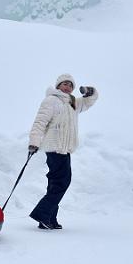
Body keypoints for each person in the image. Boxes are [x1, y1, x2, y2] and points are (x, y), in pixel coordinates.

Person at [28, 73, 98, 230]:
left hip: (65, 149)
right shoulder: (51, 100)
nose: (68, 87)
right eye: (64, 84)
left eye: (70, 85)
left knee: (55, 184)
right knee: (62, 182)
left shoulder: (73, 103)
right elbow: (40, 122)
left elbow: (89, 101)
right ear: (58, 85)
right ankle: (42, 214)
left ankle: (49, 219)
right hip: (54, 147)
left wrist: (89, 91)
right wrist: (34, 142)